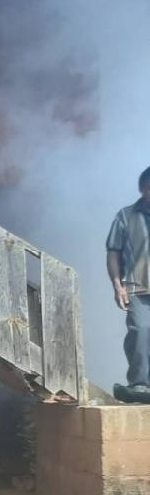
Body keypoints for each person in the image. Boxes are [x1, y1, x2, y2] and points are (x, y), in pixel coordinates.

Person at [107, 166, 150, 397]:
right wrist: (118, 286)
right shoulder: (125, 216)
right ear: (143, 188)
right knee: (140, 331)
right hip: (137, 287)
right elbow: (113, 252)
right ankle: (139, 384)